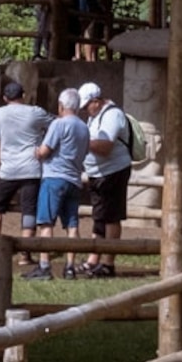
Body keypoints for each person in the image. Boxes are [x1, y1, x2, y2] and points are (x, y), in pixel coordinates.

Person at [0, 78, 47, 263]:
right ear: (23, 96)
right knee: (29, 210)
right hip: (31, 168)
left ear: (4, 98)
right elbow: (55, 123)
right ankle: (26, 253)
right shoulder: (35, 112)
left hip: (8, 169)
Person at [31, 87, 91, 277]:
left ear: (61, 105)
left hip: (54, 177)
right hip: (74, 179)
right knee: (72, 225)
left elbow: (45, 151)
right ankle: (70, 267)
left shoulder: (59, 124)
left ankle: (44, 266)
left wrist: (37, 151)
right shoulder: (84, 128)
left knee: (46, 223)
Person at [79, 80, 135, 276]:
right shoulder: (94, 117)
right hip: (97, 173)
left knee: (111, 217)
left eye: (87, 105)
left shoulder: (112, 115)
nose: (86, 110)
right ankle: (94, 259)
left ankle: (108, 263)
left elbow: (104, 147)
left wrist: (82, 140)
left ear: (96, 100)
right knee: (99, 216)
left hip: (114, 171)